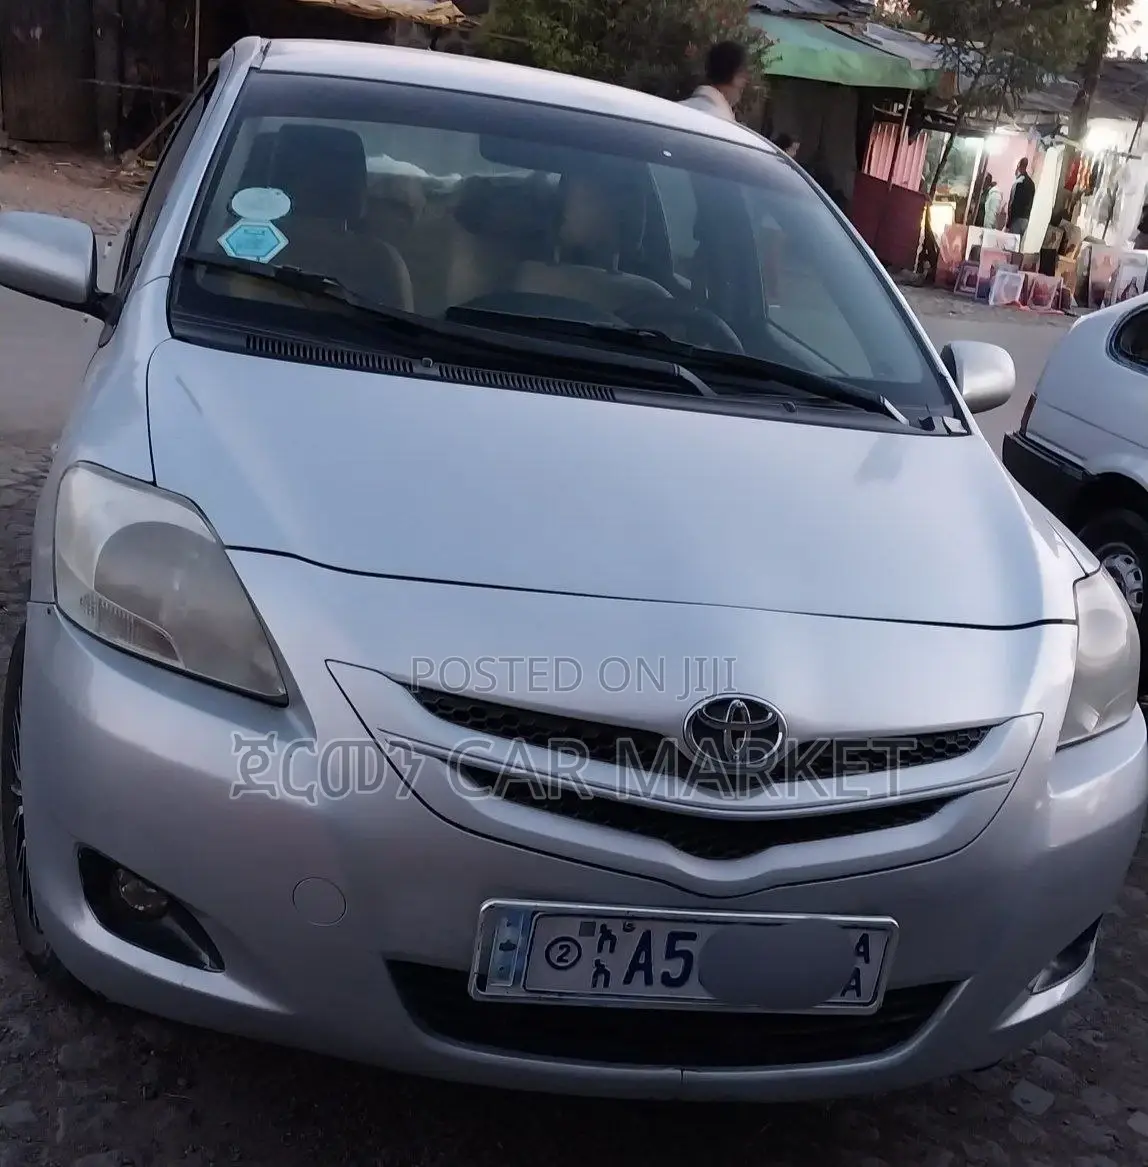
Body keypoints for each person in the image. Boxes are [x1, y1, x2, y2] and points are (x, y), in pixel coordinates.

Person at [679, 41, 749, 122]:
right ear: (735, 76)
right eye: (742, 74)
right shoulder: (724, 125)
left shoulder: (674, 111)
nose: (746, 81)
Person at [1006, 157, 1036, 237]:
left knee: (1010, 244)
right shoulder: (1032, 184)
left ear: (1019, 167)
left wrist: (1009, 222)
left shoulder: (1018, 182)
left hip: (1016, 219)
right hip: (1026, 220)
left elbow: (1012, 202)